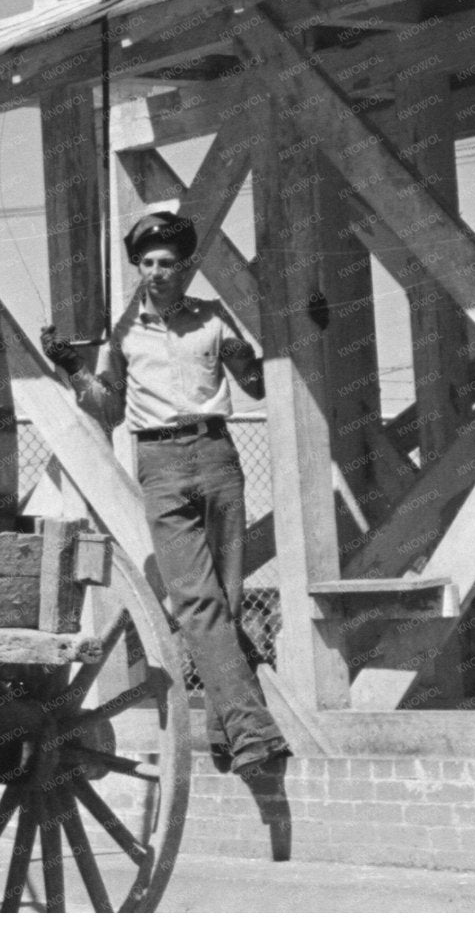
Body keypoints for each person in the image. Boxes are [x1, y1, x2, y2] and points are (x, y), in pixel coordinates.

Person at [40, 211, 292, 779]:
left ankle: (223, 731)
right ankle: (254, 735)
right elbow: (106, 406)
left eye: (168, 264)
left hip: (219, 457)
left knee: (225, 601)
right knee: (195, 601)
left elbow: (254, 382)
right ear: (137, 268)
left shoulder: (214, 321)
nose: (157, 273)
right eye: (147, 263)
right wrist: (74, 369)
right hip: (159, 464)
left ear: (184, 268)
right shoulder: (123, 334)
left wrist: (290, 340)